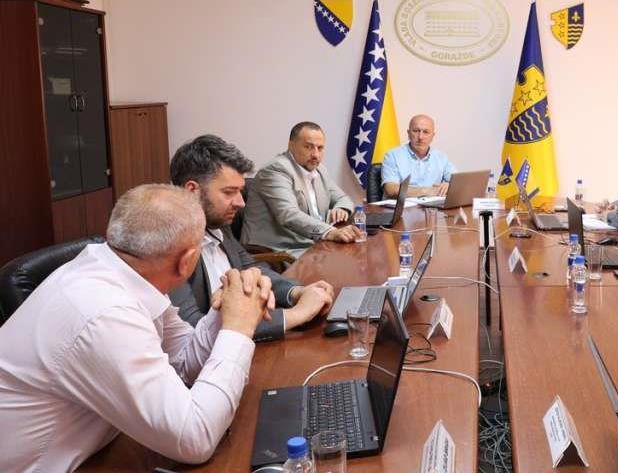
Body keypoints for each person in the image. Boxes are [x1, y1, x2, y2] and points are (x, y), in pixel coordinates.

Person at [0, 185, 274, 470]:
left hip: (101, 450)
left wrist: (227, 309)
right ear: (187, 261)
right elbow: (194, 438)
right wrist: (238, 329)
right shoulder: (105, 313)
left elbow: (183, 362)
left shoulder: (125, 272)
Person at [169, 134, 335, 342]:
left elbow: (250, 267)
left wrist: (296, 292)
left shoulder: (216, 224)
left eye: (240, 191)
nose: (241, 203)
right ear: (192, 190)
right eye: (229, 192)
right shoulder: (166, 244)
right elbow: (193, 329)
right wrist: (296, 315)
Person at [242, 121, 359, 255]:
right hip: (280, 251)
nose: (316, 155)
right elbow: (288, 214)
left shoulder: (319, 170)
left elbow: (342, 198)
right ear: (291, 145)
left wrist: (341, 208)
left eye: (320, 148)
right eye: (309, 147)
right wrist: (330, 232)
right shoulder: (276, 170)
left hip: (313, 244)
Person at [381, 114, 456, 197]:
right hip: (402, 204)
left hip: (431, 204)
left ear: (432, 136)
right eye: (416, 131)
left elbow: (458, 182)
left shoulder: (441, 158)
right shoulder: (392, 156)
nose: (420, 137)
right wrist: (426, 191)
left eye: (426, 132)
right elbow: (391, 190)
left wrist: (449, 185)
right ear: (408, 133)